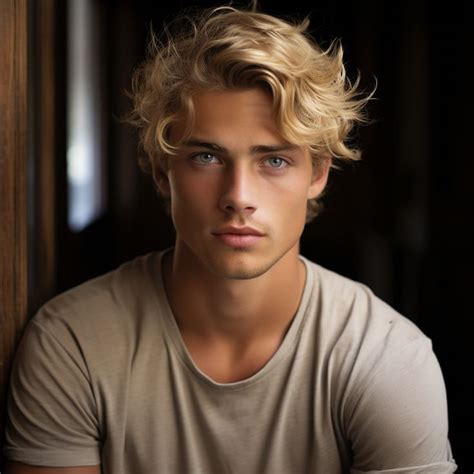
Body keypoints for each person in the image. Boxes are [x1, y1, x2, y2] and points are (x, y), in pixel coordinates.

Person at [3, 5, 457, 474]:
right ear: (163, 171)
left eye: (274, 160)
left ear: (318, 173)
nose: (238, 197)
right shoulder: (72, 344)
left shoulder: (386, 359)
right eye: (206, 157)